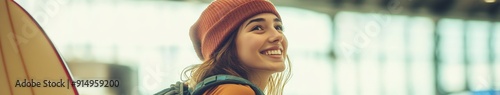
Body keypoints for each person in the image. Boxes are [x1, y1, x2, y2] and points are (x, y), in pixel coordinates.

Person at [183, 0, 292, 95]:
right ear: (226, 44)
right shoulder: (237, 91)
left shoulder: (219, 89)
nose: (278, 36)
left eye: (278, 27)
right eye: (257, 28)